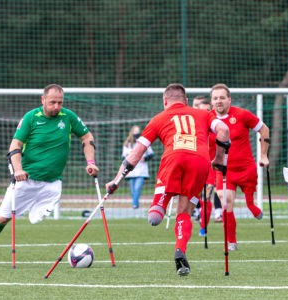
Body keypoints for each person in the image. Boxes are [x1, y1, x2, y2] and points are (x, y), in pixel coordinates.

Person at [0, 84, 99, 267]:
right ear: (43, 100)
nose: (56, 107)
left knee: (43, 220)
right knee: (2, 218)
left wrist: (90, 163)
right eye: (52, 102)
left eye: (60, 103)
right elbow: (15, 146)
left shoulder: (68, 117)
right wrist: (18, 169)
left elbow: (87, 138)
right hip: (27, 180)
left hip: (52, 184)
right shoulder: (31, 118)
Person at [106, 83, 229, 276]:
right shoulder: (204, 114)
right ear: (186, 101)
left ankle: (159, 205)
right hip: (200, 162)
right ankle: (180, 249)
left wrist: (116, 180)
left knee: (156, 214)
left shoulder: (158, 118)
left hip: (173, 159)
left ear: (165, 101)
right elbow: (223, 130)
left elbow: (135, 155)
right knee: (185, 211)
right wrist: (219, 159)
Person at [210, 83, 270, 251]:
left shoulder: (242, 115)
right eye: (215, 98)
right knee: (226, 201)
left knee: (249, 199)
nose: (219, 101)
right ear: (211, 102)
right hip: (223, 170)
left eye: (222, 98)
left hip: (246, 167)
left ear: (229, 99)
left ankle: (251, 206)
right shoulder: (208, 119)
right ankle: (231, 241)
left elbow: (264, 129)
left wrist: (264, 155)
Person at [191, 96, 216, 236]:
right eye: (202, 110)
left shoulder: (215, 128)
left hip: (209, 169)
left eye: (208, 110)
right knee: (191, 198)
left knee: (206, 198)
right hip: (193, 168)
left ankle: (203, 227)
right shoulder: (192, 127)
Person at [122, 125, 154, 209]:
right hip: (131, 170)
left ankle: (134, 205)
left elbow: (151, 154)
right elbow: (123, 156)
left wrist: (145, 158)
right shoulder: (127, 144)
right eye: (135, 131)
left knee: (137, 188)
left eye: (138, 131)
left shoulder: (144, 143)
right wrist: (128, 157)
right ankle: (136, 204)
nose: (136, 133)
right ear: (132, 132)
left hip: (141, 170)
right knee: (133, 190)